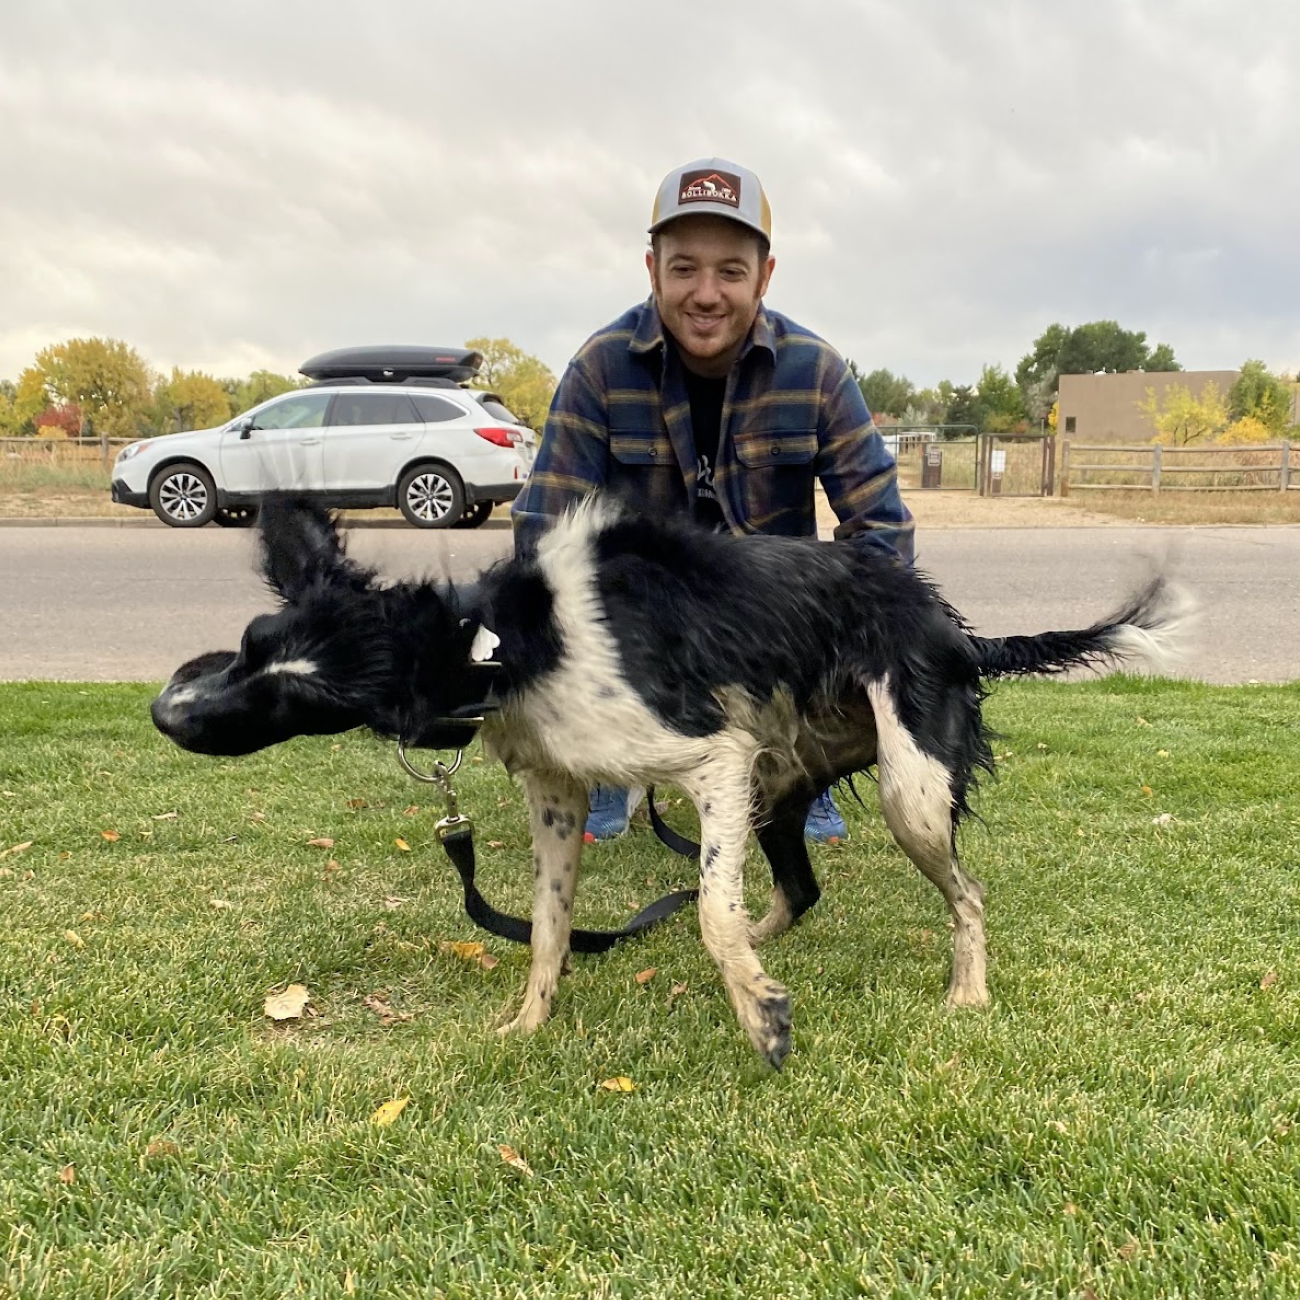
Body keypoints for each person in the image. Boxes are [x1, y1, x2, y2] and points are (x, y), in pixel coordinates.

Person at [511, 157, 915, 844]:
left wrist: (841, 665)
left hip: (771, 642)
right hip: (638, 640)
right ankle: (613, 766)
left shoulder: (817, 372)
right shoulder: (599, 369)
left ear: (765, 276)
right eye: (684, 268)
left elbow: (881, 532)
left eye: (730, 271)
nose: (706, 293)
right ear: (652, 271)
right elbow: (541, 533)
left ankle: (803, 766)